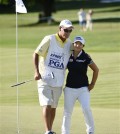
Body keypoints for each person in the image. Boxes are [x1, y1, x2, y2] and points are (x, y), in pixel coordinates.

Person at [33, 19, 74, 134]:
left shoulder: (69, 44)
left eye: (70, 31)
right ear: (60, 28)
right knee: (46, 104)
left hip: (58, 80)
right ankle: (48, 131)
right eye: (66, 30)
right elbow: (36, 53)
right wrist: (36, 72)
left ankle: (50, 130)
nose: (67, 32)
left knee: (53, 106)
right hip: (44, 78)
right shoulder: (49, 39)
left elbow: (76, 54)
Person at [61, 36, 99, 134]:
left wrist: (92, 84)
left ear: (83, 46)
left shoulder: (86, 56)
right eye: (76, 43)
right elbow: (61, 69)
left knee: (86, 109)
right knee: (67, 112)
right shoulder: (67, 55)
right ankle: (65, 132)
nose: (78, 45)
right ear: (73, 44)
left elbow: (96, 70)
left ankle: (90, 131)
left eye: (80, 44)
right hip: (69, 88)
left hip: (83, 89)